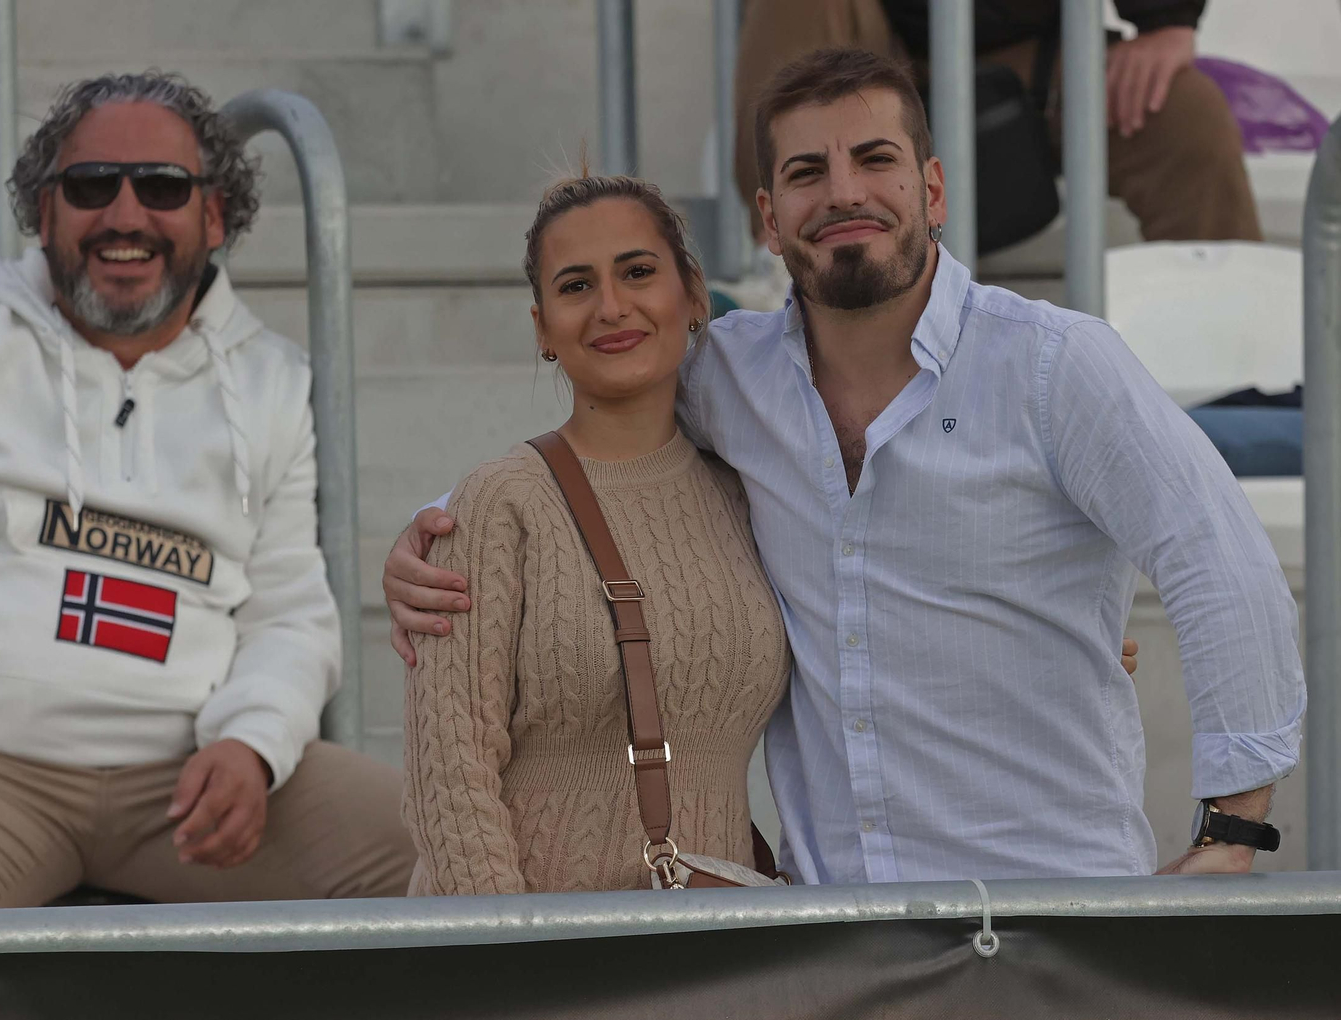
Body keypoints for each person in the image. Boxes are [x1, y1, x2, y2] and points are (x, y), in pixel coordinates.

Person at [385, 48, 1302, 884]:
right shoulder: (729, 380)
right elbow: (599, 444)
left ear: (932, 189)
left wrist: (1233, 829)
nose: (842, 193)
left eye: (874, 160)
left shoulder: (1056, 367)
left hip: (1051, 913)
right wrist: (437, 537)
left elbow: (1219, 560)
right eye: (806, 172)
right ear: (769, 215)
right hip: (835, 934)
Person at [0, 71, 415, 910]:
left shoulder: (274, 383)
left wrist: (254, 743)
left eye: (162, 187)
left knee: (438, 855)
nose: (125, 216)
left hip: (186, 781)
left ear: (214, 216)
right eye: (91, 185)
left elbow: (291, 612)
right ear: (45, 211)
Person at [401, 175, 793, 894]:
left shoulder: (747, 494)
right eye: (576, 286)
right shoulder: (499, 502)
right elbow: (449, 773)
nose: (611, 307)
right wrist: (519, 958)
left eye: (638, 272)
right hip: (545, 961)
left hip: (707, 952)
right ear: (543, 328)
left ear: (694, 295)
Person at [732, 0, 1260, 246]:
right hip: (865, 41)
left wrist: (1166, 19)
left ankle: (1236, 375)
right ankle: (790, 276)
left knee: (1184, 115)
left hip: (1026, 51)